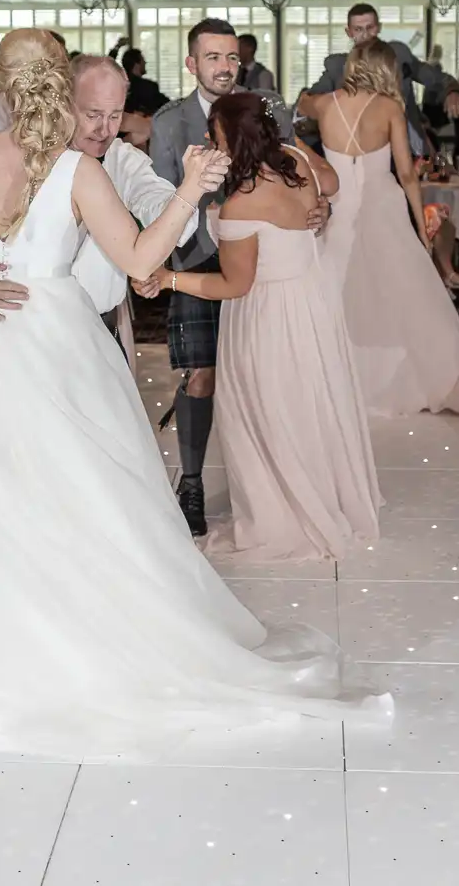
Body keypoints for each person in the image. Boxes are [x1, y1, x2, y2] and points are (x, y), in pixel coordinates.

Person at [0, 29, 385, 757]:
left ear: (1, 89)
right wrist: (193, 189)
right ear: (60, 91)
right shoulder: (74, 172)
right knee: (77, 493)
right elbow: (139, 257)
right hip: (56, 341)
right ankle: (65, 640)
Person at [133, 92, 379, 562]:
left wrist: (169, 278)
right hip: (310, 306)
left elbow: (234, 285)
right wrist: (320, 208)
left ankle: (281, 517)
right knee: (306, 404)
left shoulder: (241, 205)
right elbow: (329, 182)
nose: (209, 138)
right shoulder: (294, 159)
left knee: (267, 414)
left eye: (217, 134)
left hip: (266, 319)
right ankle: (319, 499)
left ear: (236, 140)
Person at [0, 53, 194, 358]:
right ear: (64, 104)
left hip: (98, 334)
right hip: (13, 334)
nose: (105, 129)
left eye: (115, 116)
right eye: (93, 114)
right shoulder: (19, 158)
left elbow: (164, 207)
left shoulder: (123, 160)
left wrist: (185, 197)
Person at [151, 19, 295, 536]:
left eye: (232, 57)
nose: (225, 67)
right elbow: (158, 201)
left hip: (266, 264)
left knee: (269, 375)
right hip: (199, 260)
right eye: (213, 57)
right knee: (201, 377)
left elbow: (293, 174)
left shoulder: (270, 109)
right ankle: (191, 484)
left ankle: (276, 483)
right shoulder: (169, 124)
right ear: (192, 64)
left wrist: (313, 209)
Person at [309, 39, 459, 417]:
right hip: (383, 208)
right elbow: (406, 172)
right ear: (386, 69)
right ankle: (403, 379)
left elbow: (299, 127)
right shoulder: (389, 106)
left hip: (339, 210)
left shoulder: (324, 105)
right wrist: (422, 226)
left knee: (341, 294)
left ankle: (340, 381)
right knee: (403, 293)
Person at [301, 4, 444, 154]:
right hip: (363, 150)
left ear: (379, 27)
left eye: (370, 27)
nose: (365, 35)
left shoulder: (398, 55)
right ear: (348, 32)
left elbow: (433, 77)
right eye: (358, 29)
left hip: (410, 148)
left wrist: (452, 91)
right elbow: (308, 102)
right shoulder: (338, 66)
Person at [121, 46, 169, 118]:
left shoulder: (119, 86)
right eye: (143, 60)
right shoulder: (148, 87)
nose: (145, 63)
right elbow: (166, 105)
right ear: (137, 64)